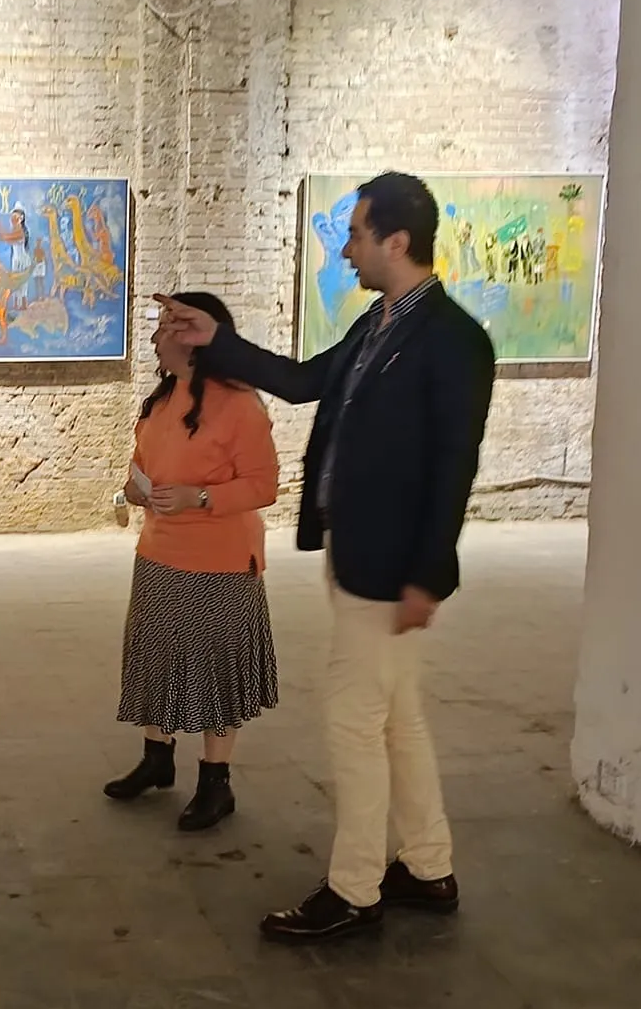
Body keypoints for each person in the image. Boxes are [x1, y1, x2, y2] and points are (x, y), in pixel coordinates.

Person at [157, 171, 495, 942]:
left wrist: (426, 574)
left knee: (353, 723)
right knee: (397, 718)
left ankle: (355, 890)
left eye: (356, 235)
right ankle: (428, 865)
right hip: (358, 553)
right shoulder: (378, 324)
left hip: (390, 568)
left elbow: (454, 467)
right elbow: (305, 381)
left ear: (396, 242)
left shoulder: (453, 341)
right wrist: (216, 341)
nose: (346, 251)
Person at [106, 292, 281, 832]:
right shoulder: (161, 401)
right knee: (155, 658)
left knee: (213, 670)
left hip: (220, 562)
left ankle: (215, 782)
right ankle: (156, 758)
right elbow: (141, 465)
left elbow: (263, 485)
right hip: (159, 553)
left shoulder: (239, 404)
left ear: (196, 339)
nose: (155, 336)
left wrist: (199, 498)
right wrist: (134, 490)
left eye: (166, 327)